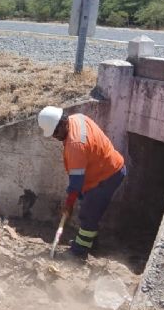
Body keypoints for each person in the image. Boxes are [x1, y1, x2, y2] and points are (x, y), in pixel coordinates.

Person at [37, 106, 126, 259]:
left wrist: (69, 205)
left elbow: (76, 184)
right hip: (107, 167)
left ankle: (79, 253)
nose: (55, 137)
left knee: (88, 214)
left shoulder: (76, 145)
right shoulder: (77, 118)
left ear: (64, 123)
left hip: (106, 176)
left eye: (56, 133)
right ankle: (91, 243)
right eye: (52, 134)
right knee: (90, 207)